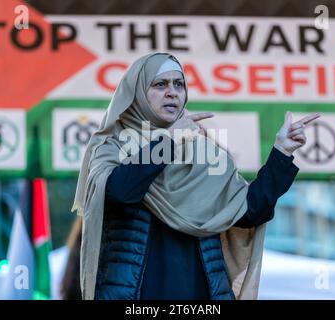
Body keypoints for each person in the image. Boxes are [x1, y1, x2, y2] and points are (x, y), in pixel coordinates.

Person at [71, 52, 320, 300]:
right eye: (160, 84)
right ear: (136, 92)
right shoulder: (111, 146)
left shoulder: (205, 150)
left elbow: (250, 211)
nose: (172, 92)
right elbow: (120, 193)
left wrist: (281, 153)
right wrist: (167, 142)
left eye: (179, 84)